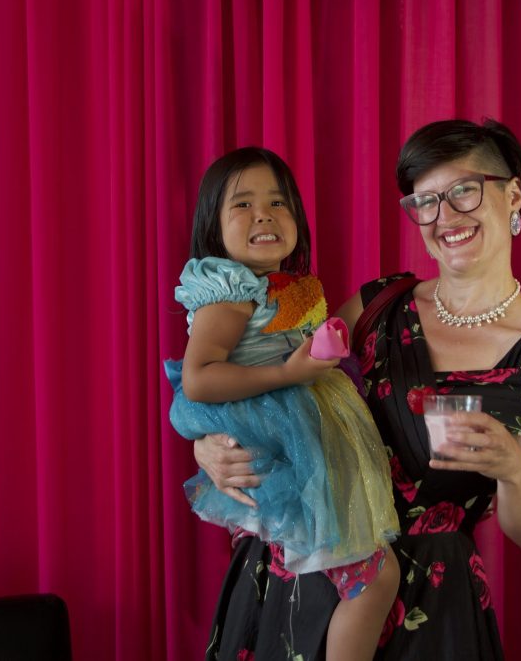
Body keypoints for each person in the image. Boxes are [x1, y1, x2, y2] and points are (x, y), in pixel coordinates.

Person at [194, 120, 521, 660]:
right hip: (299, 572)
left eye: (464, 192)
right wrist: (210, 444)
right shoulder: (380, 305)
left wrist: (511, 468)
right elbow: (278, 384)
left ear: (512, 194)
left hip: (425, 606)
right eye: (425, 201)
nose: (445, 216)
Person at [164, 147, 401, 661]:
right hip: (274, 429)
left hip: (295, 426)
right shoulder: (230, 292)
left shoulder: (288, 289)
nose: (264, 214)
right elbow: (200, 380)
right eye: (242, 205)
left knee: (364, 576)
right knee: (376, 577)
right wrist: (288, 372)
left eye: (277, 202)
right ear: (213, 226)